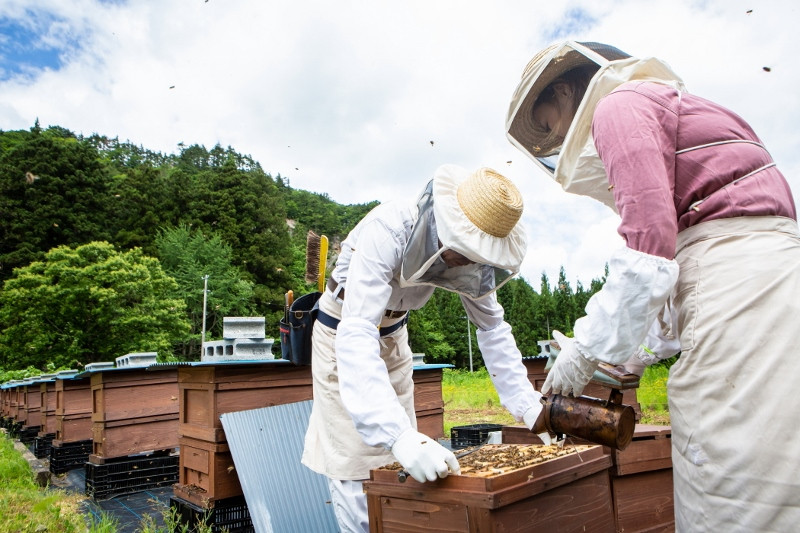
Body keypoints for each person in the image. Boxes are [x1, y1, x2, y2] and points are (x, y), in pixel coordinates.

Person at [506, 40, 800, 531]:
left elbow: (649, 246)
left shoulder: (617, 105)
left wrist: (584, 352)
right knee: (779, 461)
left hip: (738, 292)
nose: (557, 136)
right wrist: (634, 353)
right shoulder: (686, 106)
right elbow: (686, 263)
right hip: (773, 280)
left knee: (727, 476)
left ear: (564, 90)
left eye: (551, 122)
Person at [301, 165, 551, 532]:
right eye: (464, 252)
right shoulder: (388, 229)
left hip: (395, 336)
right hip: (343, 332)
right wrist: (397, 436)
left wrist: (530, 408)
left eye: (477, 256)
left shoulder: (473, 260)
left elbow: (493, 328)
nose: (467, 263)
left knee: (403, 458)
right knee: (356, 461)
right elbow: (356, 333)